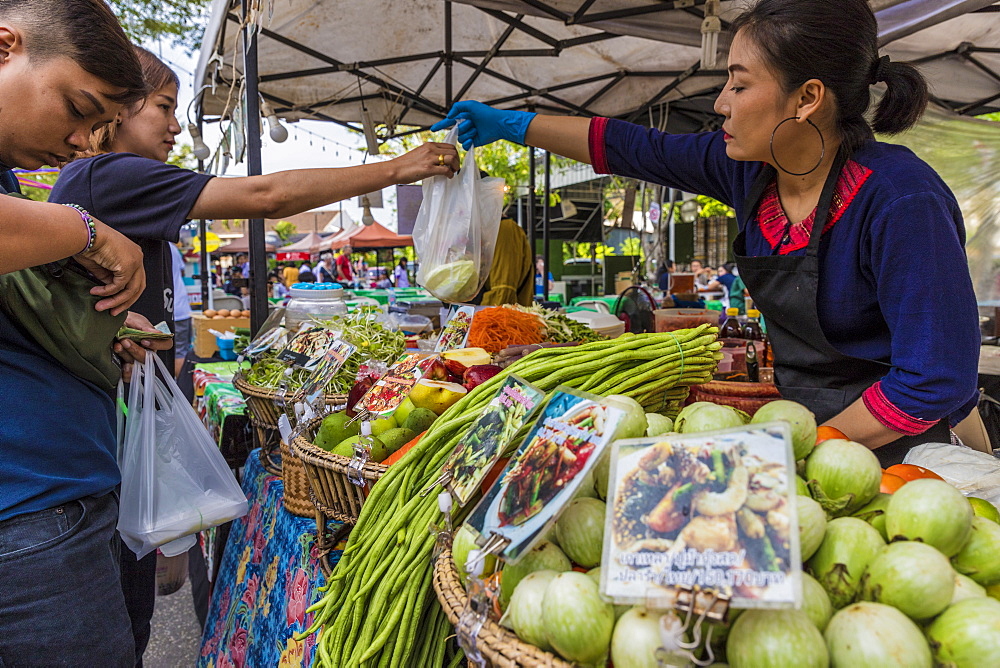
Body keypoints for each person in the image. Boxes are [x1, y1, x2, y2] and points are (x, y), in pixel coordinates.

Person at [430, 0, 980, 466]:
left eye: (739, 86)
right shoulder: (747, 170)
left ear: (807, 98)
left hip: (904, 454)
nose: (720, 103)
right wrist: (514, 124)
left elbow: (934, 377)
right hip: (797, 431)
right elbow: (633, 147)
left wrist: (803, 455)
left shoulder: (901, 198)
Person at [48, 46, 460, 665]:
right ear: (119, 110)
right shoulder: (109, 177)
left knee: (127, 609)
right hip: (98, 436)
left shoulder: (105, 183)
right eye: (163, 108)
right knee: (114, 618)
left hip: (107, 425)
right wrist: (398, 168)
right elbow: (267, 194)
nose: (175, 126)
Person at [0, 2, 171, 666]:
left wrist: (96, 328)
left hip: (50, 511)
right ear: (6, 46)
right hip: (28, 521)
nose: (80, 140)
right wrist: (89, 231)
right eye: (77, 108)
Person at [170, 243, 192, 377]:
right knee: (180, 351)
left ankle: (179, 389)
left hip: (172, 308)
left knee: (177, 352)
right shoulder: (172, 248)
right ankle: (180, 389)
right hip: (180, 308)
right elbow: (182, 271)